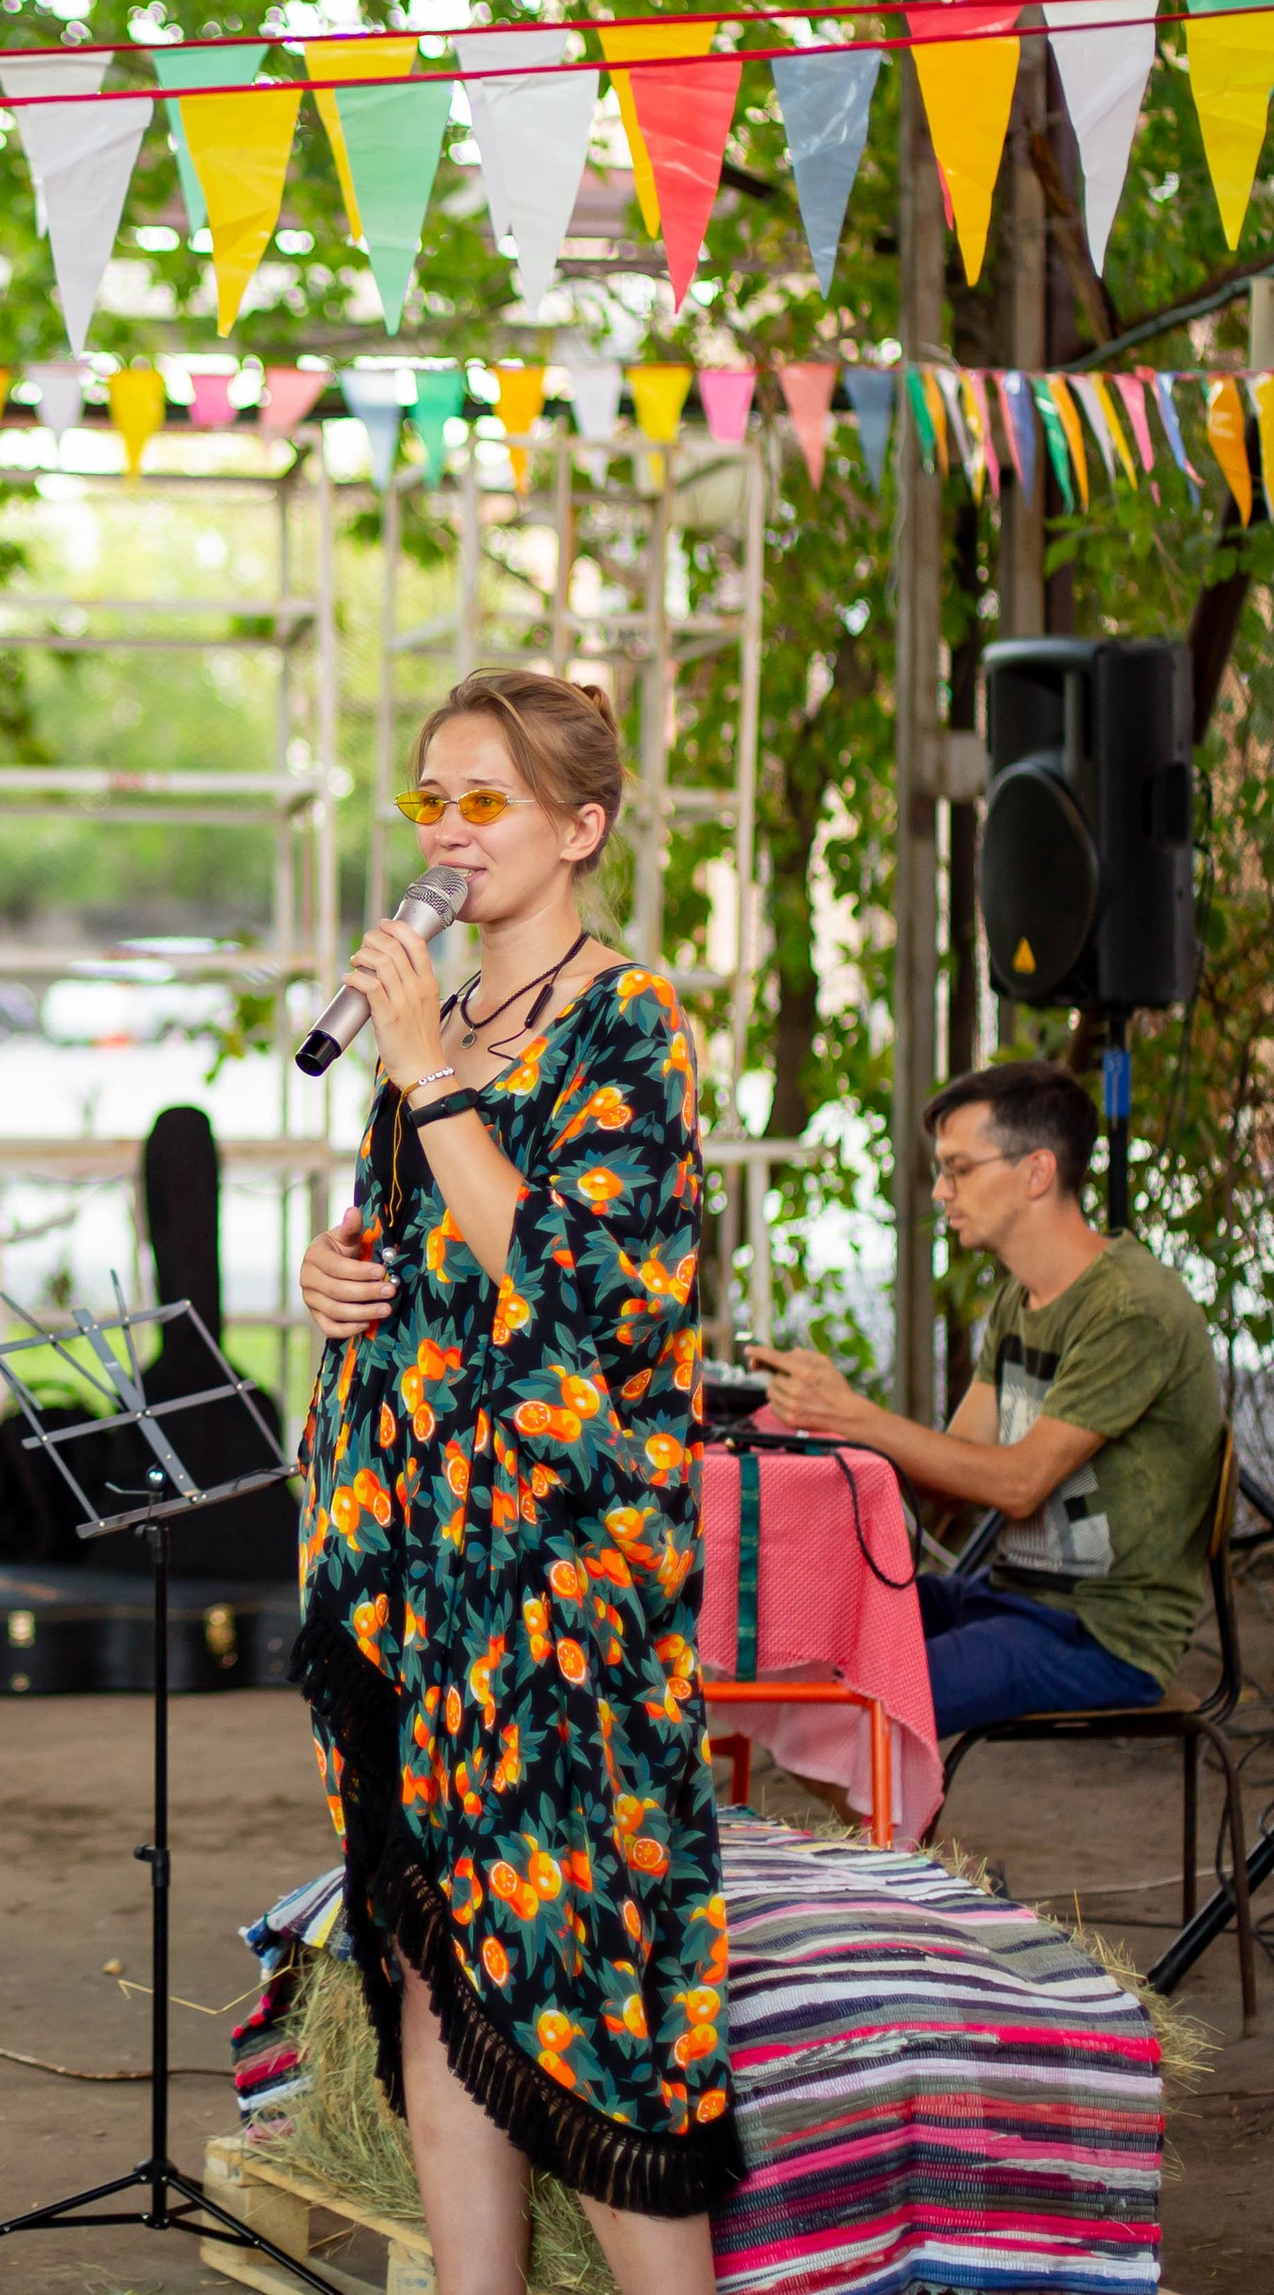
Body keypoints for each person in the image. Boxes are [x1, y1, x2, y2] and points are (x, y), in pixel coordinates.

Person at [294, 669, 737, 2295]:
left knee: (592, 1987)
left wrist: (427, 1074)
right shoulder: (442, 1034)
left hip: (559, 1590)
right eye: (430, 800)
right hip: (417, 1583)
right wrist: (340, 1281)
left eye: (485, 801)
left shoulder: (629, 1022)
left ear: (580, 826)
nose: (449, 832)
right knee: (439, 1974)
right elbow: (425, 1252)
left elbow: (580, 1287)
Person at [749, 1060, 1223, 1740]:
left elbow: (1019, 1484)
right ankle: (884, 1840)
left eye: (959, 1168)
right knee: (803, 1635)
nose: (941, 1189)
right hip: (1011, 1602)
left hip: (1104, 1636)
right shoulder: (1018, 1295)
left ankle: (892, 1849)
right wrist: (797, 1433)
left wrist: (852, 1415)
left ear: (1036, 1172)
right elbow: (958, 1478)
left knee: (855, 1712)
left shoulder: (1132, 1307)